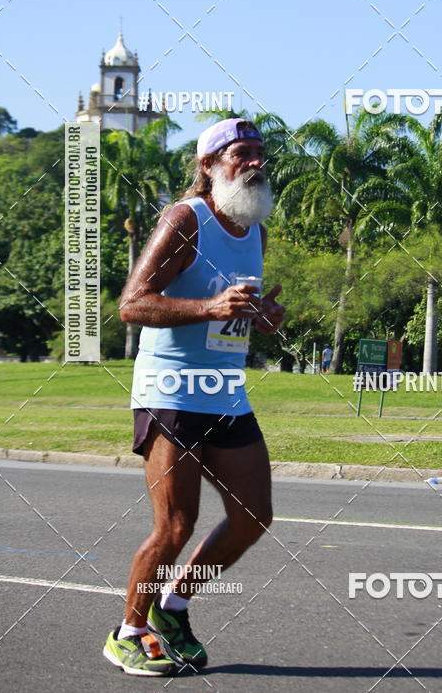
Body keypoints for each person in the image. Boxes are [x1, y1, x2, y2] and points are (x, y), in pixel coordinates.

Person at [103, 117, 285, 677]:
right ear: (208, 166)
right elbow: (133, 304)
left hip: (226, 392)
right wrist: (211, 308)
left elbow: (234, 312)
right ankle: (128, 632)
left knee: (253, 515)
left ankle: (174, 605)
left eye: (259, 153)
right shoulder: (187, 219)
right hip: (171, 391)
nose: (254, 162)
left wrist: (263, 318)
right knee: (176, 526)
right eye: (240, 154)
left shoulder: (255, 228)